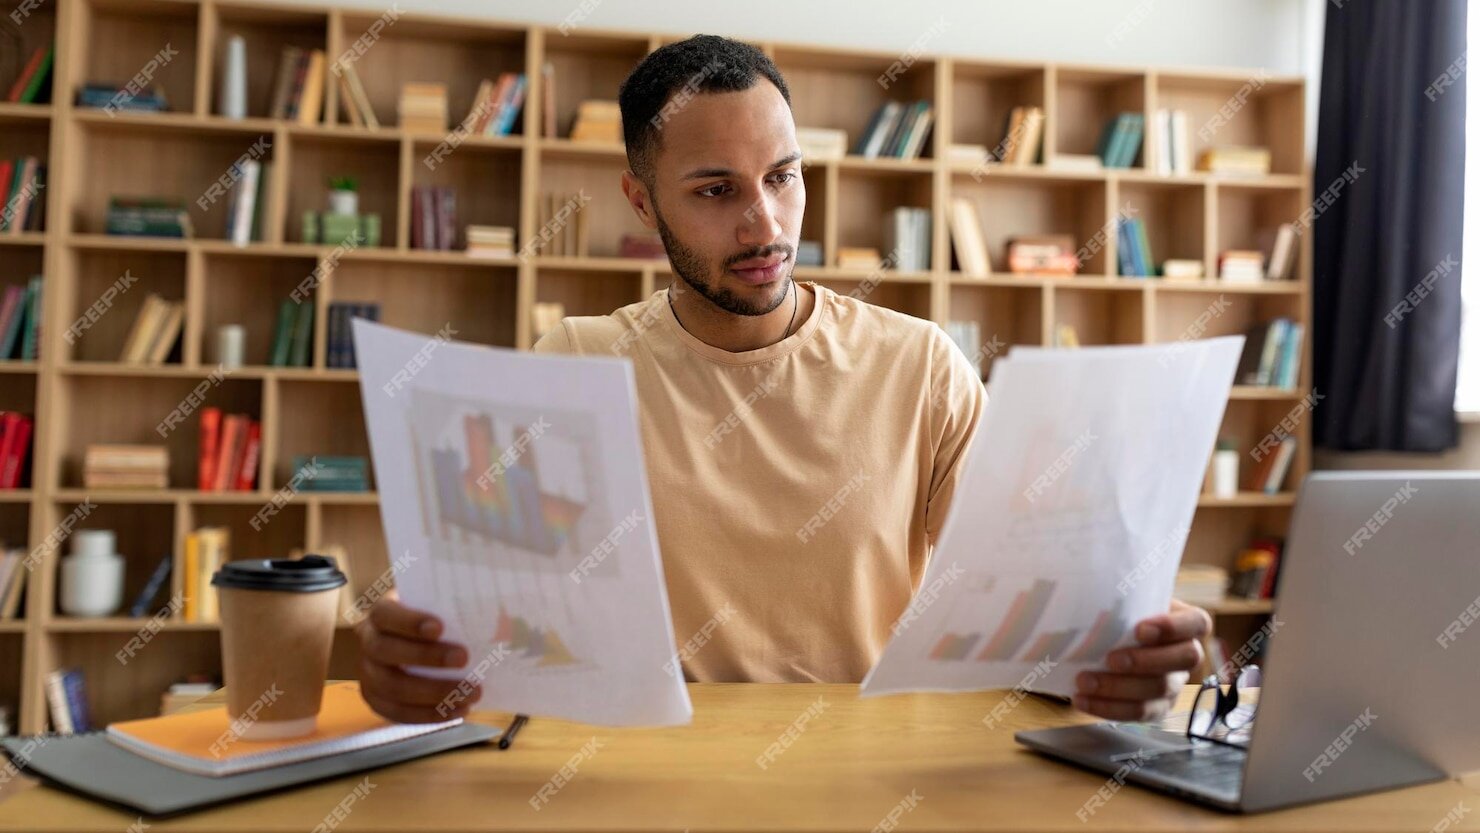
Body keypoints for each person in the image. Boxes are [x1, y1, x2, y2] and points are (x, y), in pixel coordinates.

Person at [356, 35, 1210, 724]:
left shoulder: (920, 367)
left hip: (869, 776)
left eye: (783, 176)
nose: (765, 222)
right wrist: (415, 653)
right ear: (642, 201)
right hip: (644, 781)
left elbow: (1038, 614)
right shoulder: (576, 363)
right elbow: (478, 610)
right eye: (716, 189)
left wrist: (1129, 647)